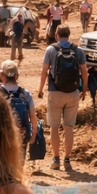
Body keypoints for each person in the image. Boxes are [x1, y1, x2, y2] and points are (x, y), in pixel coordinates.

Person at [37, 25, 89, 171]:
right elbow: (84, 73)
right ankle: (67, 160)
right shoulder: (78, 50)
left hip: (55, 92)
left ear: (57, 35)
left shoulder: (51, 49)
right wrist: (83, 90)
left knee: (54, 127)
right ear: (69, 34)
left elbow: (43, 72)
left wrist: (40, 90)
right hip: (73, 93)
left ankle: (56, 160)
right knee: (69, 127)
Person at [0, 60, 36, 161]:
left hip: (1, 135)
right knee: (19, 164)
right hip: (21, 133)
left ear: (1, 75)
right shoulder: (25, 93)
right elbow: (33, 118)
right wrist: (33, 134)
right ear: (17, 76)